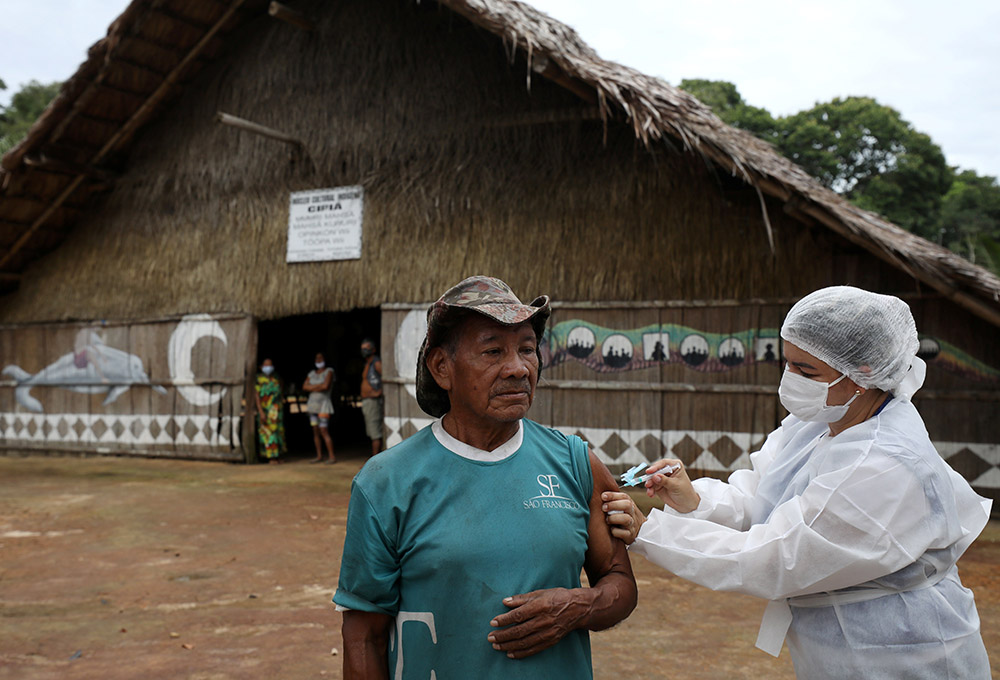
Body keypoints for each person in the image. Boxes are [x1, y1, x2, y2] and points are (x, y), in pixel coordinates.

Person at [603, 286, 992, 679]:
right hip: (837, 652)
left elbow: (775, 558)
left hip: (906, 655)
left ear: (865, 372)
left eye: (806, 371)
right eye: (787, 363)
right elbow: (762, 498)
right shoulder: (819, 421)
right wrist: (695, 500)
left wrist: (650, 532)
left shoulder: (885, 464)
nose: (791, 379)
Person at [334, 276, 637, 679]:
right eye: (493, 351)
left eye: (527, 349)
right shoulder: (386, 482)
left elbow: (619, 582)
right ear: (442, 367)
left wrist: (579, 606)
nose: (517, 368)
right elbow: (363, 636)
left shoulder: (576, 463)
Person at [303, 352, 335, 464]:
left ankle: (331, 456)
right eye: (317, 358)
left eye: (321, 358)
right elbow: (304, 386)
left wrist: (312, 387)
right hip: (312, 407)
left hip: (324, 406)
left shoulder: (329, 371)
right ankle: (319, 455)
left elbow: (326, 386)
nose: (318, 360)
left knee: (324, 430)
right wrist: (319, 386)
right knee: (315, 431)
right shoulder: (312, 373)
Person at [254, 358, 286, 464]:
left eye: (270, 365)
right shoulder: (258, 379)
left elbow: (281, 389)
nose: (269, 367)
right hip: (266, 410)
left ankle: (279, 455)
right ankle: (271, 457)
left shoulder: (276, 377)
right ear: (261, 367)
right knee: (268, 433)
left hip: (277, 410)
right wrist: (261, 411)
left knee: (278, 433)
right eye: (266, 365)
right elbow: (257, 396)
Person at [359, 338, 384, 456]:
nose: (364, 350)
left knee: (375, 432)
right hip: (367, 401)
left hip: (373, 402)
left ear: (373, 350)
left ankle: (374, 461)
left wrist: (379, 392)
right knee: (371, 430)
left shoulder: (376, 363)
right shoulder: (368, 363)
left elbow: (386, 378)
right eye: (362, 348)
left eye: (367, 348)